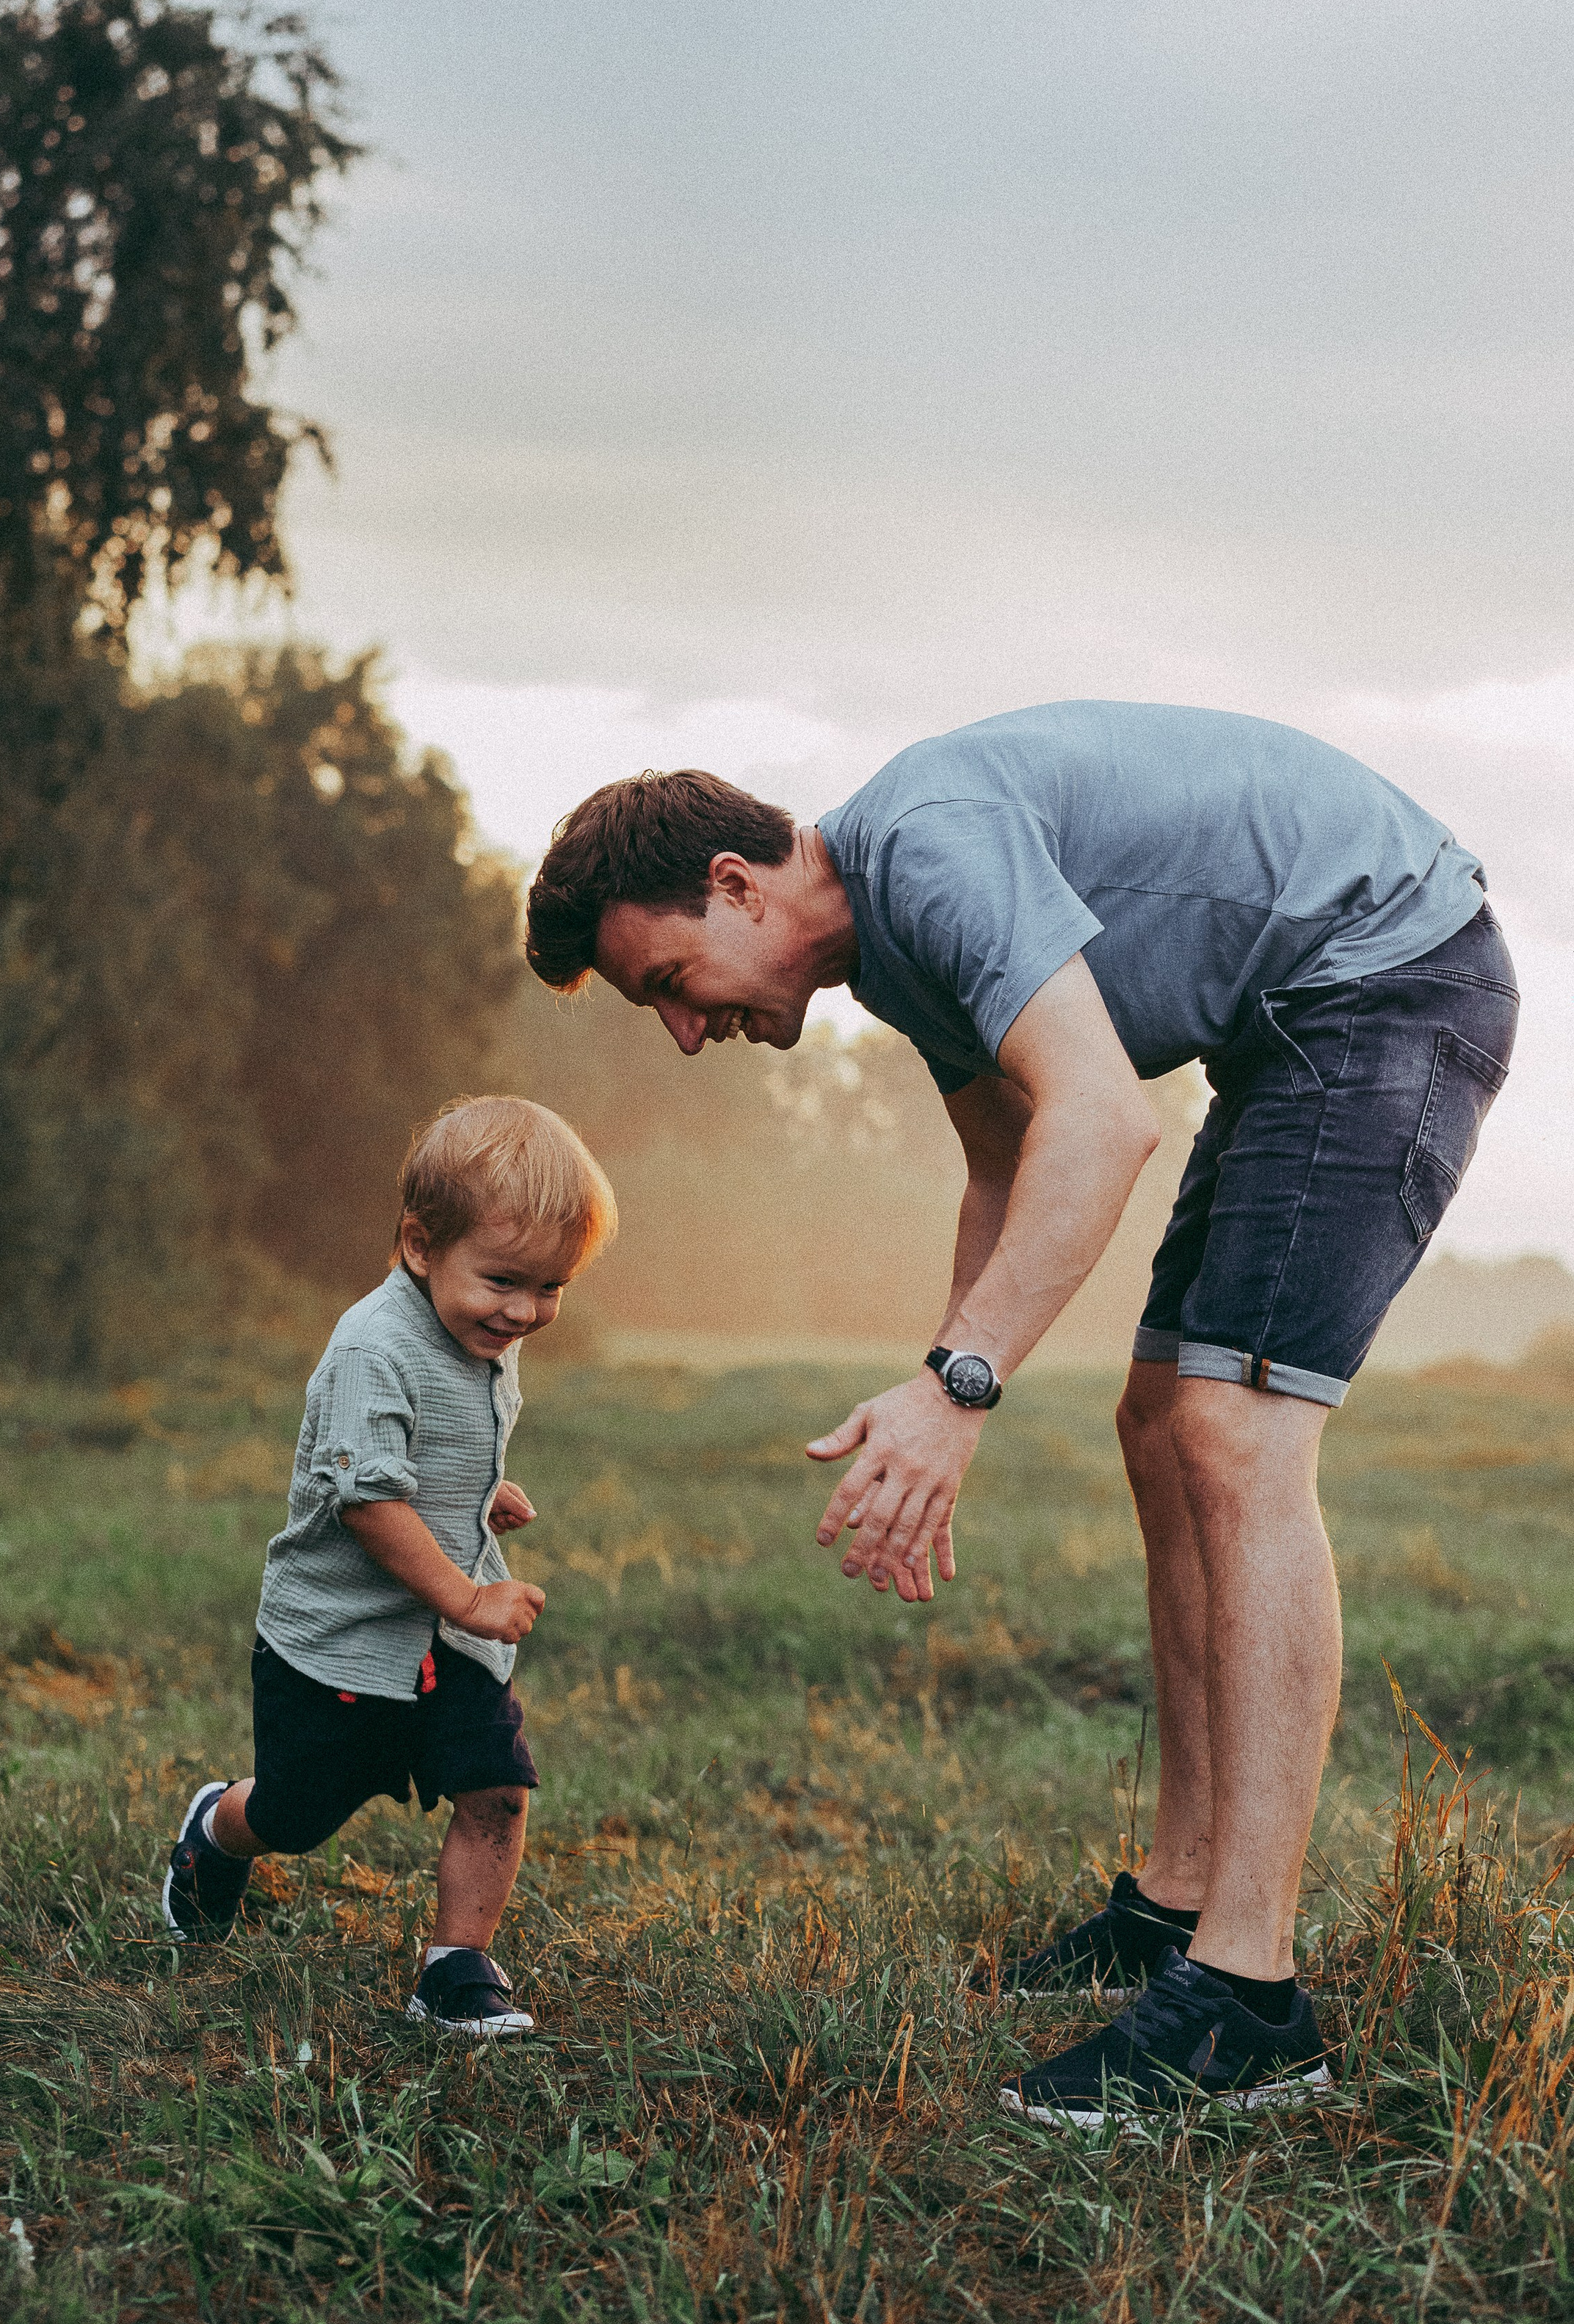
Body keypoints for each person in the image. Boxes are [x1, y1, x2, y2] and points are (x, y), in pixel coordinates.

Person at [523, 702, 1518, 2121]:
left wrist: (961, 1388)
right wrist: (942, 1405)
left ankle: (1251, 2001)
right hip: (1299, 1023)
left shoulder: (926, 854)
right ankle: (1181, 1905)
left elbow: (1105, 1122)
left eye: (672, 979)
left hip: (1389, 978)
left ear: (736, 886)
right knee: (1162, 1418)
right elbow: (1008, 1163)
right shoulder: (896, 960)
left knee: (1237, 1434)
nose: (687, 1031)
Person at [162, 1095, 617, 2040]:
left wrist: (479, 1495)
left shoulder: (486, 1331)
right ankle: (217, 1828)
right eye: (504, 1280)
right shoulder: (371, 1348)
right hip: (341, 1641)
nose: (526, 1311)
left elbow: (422, 1456)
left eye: (550, 1286)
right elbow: (368, 1504)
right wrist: (466, 1592)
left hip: (446, 1643)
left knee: (497, 1785)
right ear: (419, 1245)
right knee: (298, 1812)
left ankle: (455, 1967)